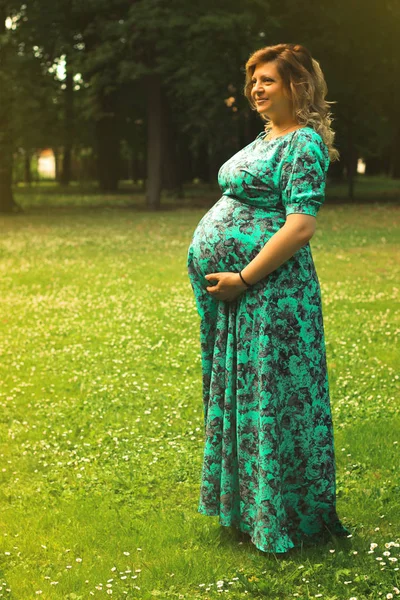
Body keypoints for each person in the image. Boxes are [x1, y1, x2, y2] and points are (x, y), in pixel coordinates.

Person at [186, 43, 352, 554]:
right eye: (253, 80)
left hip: (273, 294)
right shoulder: (265, 137)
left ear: (297, 86)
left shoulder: (302, 142)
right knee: (245, 397)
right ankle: (248, 511)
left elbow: (301, 226)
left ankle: (287, 515)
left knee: (274, 401)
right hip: (242, 295)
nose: (256, 88)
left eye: (268, 80)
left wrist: (244, 276)